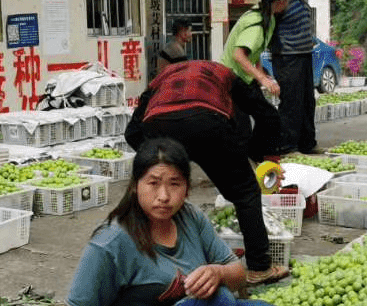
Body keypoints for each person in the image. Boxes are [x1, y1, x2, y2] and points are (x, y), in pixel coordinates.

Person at [46, 138, 285, 306]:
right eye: (153, 183)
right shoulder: (112, 240)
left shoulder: (189, 218)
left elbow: (237, 273)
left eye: (174, 184)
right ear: (135, 186)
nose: (164, 195)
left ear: (187, 188)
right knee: (216, 302)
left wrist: (217, 272)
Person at [124, 59, 290, 285]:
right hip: (208, 124)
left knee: (158, 199)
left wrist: (160, 159)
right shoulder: (225, 74)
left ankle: (149, 267)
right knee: (246, 193)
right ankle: (259, 268)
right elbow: (267, 114)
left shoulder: (161, 78)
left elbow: (132, 132)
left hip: (159, 126)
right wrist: (271, 160)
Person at [221, 0, 290, 157]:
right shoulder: (257, 24)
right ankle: (254, 160)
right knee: (249, 125)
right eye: (288, 0)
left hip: (244, 78)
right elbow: (239, 55)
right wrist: (263, 80)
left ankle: (256, 158)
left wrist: (261, 75)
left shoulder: (267, 18)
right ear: (280, 1)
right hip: (231, 79)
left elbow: (255, 51)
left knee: (268, 117)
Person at [271, 0, 318, 155]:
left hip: (306, 54)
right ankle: (288, 146)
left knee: (308, 101)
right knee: (291, 102)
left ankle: (308, 143)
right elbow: (269, 26)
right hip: (287, 57)